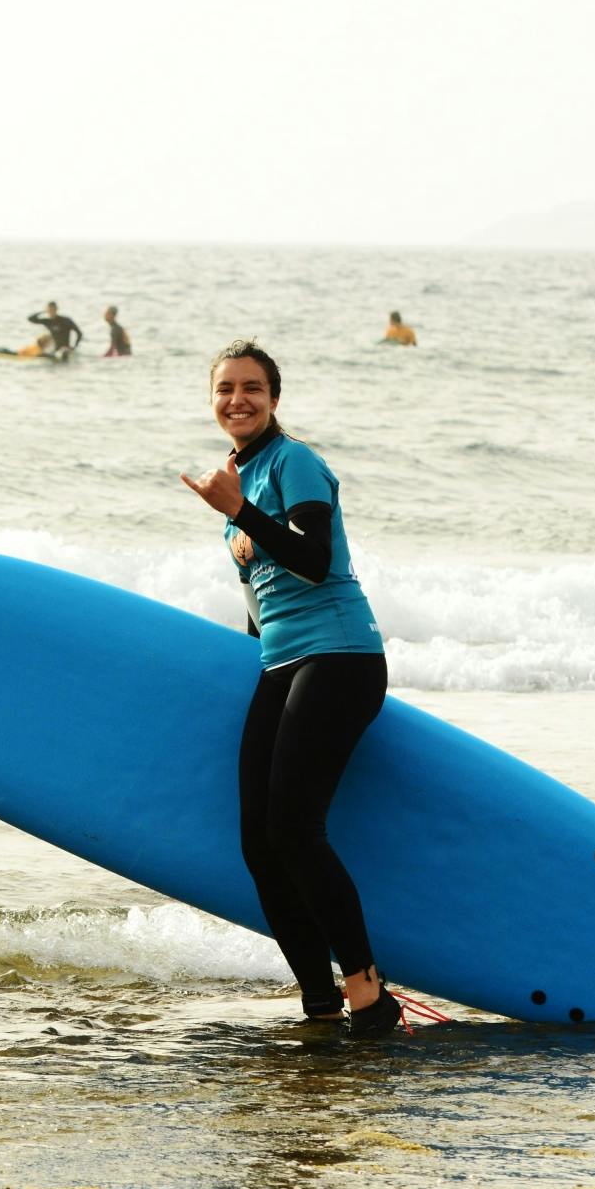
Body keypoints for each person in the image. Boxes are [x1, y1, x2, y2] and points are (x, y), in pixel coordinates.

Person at [179, 338, 398, 1036]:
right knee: (257, 840)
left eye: (252, 388)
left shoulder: (293, 460)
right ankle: (318, 1002)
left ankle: (368, 993)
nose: (237, 400)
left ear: (275, 399)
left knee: (296, 829)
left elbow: (311, 560)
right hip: (282, 664)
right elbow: (259, 606)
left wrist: (240, 511)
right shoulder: (236, 483)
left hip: (338, 656)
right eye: (225, 389)